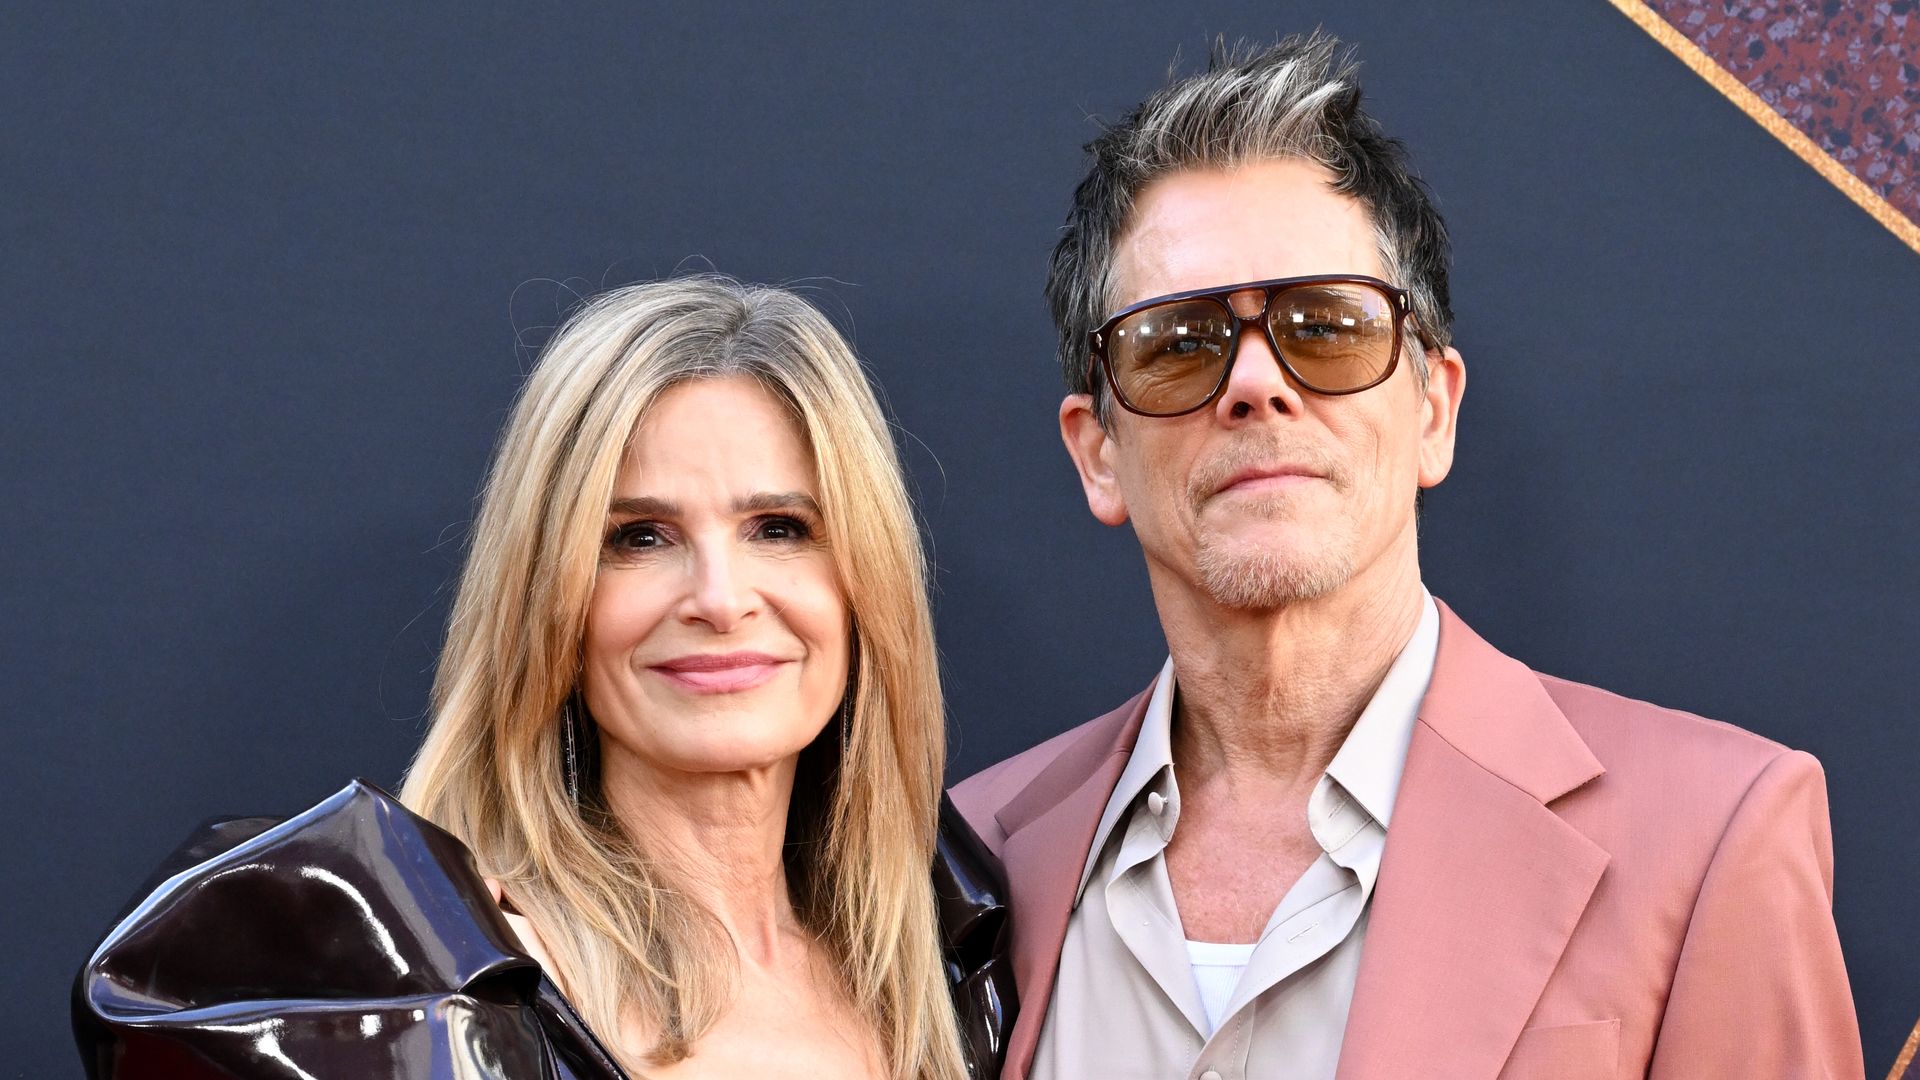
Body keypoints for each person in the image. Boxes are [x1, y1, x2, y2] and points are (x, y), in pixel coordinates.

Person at [950, 33, 1863, 1080]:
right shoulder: (973, 861)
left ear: (1433, 408)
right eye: (1177, 344)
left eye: (1328, 327)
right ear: (1097, 452)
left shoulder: (1710, 837)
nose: (1256, 383)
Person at [76, 277, 1011, 1079]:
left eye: (781, 528)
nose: (721, 599)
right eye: (638, 538)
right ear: (547, 602)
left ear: (865, 584)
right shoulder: (419, 986)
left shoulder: (963, 967)